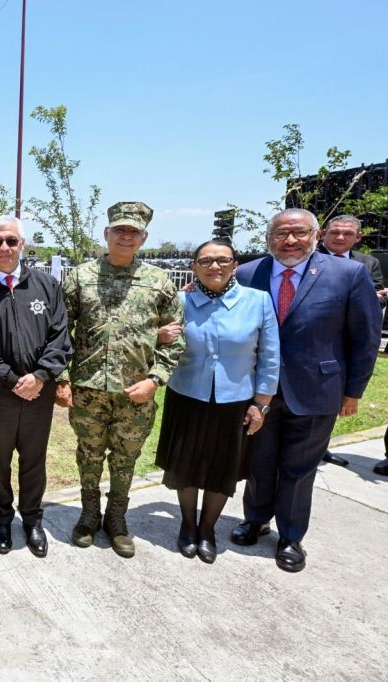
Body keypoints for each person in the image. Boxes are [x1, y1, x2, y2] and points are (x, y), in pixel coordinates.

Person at [231, 208, 381, 572]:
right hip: (258, 391)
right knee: (260, 461)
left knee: (300, 469)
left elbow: (365, 338)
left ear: (315, 235)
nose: (290, 240)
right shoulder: (250, 273)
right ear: (269, 238)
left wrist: (353, 392)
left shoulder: (348, 274)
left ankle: (291, 536)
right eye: (281, 233)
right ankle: (256, 519)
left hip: (317, 389)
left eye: (299, 233)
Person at [56, 201, 184, 559]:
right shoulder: (80, 277)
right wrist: (62, 378)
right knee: (89, 456)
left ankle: (117, 519)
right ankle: (88, 515)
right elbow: (59, 331)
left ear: (143, 238)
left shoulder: (158, 282)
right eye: (120, 230)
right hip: (89, 390)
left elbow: (177, 337)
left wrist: (155, 380)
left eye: (133, 232)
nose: (126, 237)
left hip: (136, 393)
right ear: (107, 234)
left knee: (125, 460)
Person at [154, 239, 279, 563]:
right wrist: (159, 334)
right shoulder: (181, 301)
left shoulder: (258, 301)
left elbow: (270, 356)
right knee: (186, 465)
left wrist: (261, 403)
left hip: (236, 400)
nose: (215, 266)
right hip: (187, 395)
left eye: (223, 260)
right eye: (206, 261)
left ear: (235, 265)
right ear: (194, 267)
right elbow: (155, 338)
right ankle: (188, 524)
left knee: (222, 468)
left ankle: (207, 529)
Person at [0, 215, 72, 558]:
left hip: (40, 392)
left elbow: (60, 336)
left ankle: (33, 520)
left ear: (22, 244)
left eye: (11, 240)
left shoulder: (46, 286)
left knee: (34, 458)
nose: (4, 247)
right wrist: (12, 380)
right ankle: (2, 518)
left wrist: (39, 376)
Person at [316, 214, 387, 468]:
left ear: (358, 237)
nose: (340, 237)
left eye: (347, 233)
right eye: (335, 232)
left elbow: (378, 297)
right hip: (315, 341)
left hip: (348, 343)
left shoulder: (367, 263)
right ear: (322, 234)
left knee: (336, 397)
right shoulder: (307, 258)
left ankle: (322, 448)